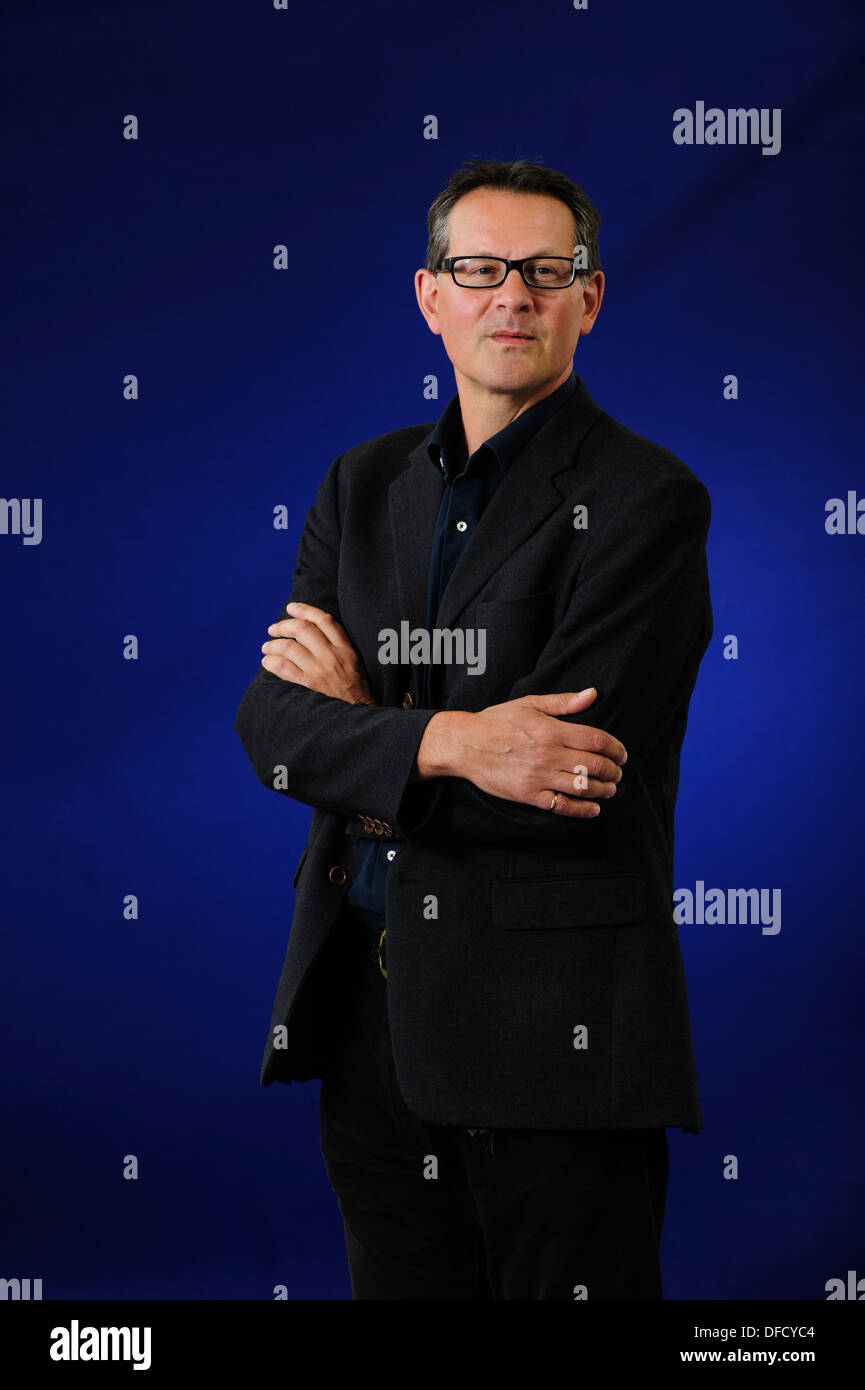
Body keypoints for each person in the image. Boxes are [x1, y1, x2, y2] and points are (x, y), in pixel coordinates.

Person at [235, 157, 713, 1301]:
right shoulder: (361, 484)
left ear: (587, 300)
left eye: (548, 273)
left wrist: (359, 725)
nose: (514, 297)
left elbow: (557, 780)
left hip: (550, 1035)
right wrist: (448, 740)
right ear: (430, 295)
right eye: (482, 269)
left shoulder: (647, 499)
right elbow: (269, 725)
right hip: (362, 1018)